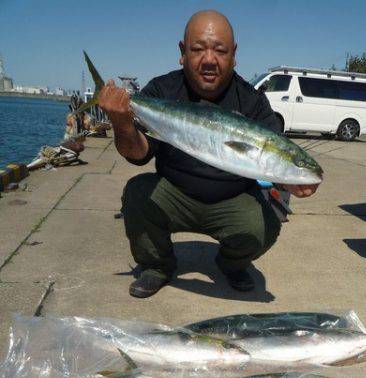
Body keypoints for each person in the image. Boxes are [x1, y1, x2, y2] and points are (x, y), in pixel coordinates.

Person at [99, 10, 320, 298]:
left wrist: (289, 179)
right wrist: (122, 123)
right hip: (174, 194)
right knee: (138, 194)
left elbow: (270, 164)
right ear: (182, 52)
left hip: (231, 200)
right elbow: (138, 155)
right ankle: (157, 266)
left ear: (234, 55)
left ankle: (231, 264)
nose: (209, 59)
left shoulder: (253, 102)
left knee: (264, 223)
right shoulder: (162, 91)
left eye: (219, 50)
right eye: (198, 49)